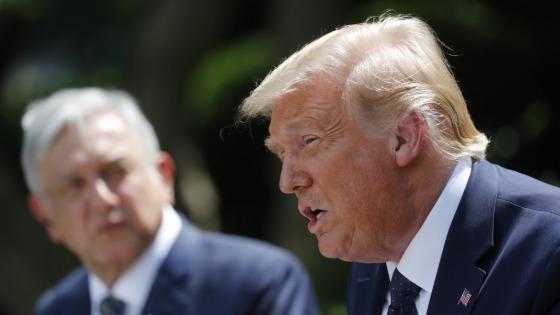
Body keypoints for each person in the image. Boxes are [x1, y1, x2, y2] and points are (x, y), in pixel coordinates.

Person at [235, 12, 560, 315]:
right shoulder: (370, 266)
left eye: (308, 141)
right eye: (281, 153)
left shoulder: (548, 252)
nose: (287, 181)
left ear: (404, 137)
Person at [21, 87, 321, 315]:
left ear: (163, 176)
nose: (103, 201)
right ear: (45, 215)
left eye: (116, 172)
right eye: (74, 187)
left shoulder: (258, 284)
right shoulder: (56, 309)